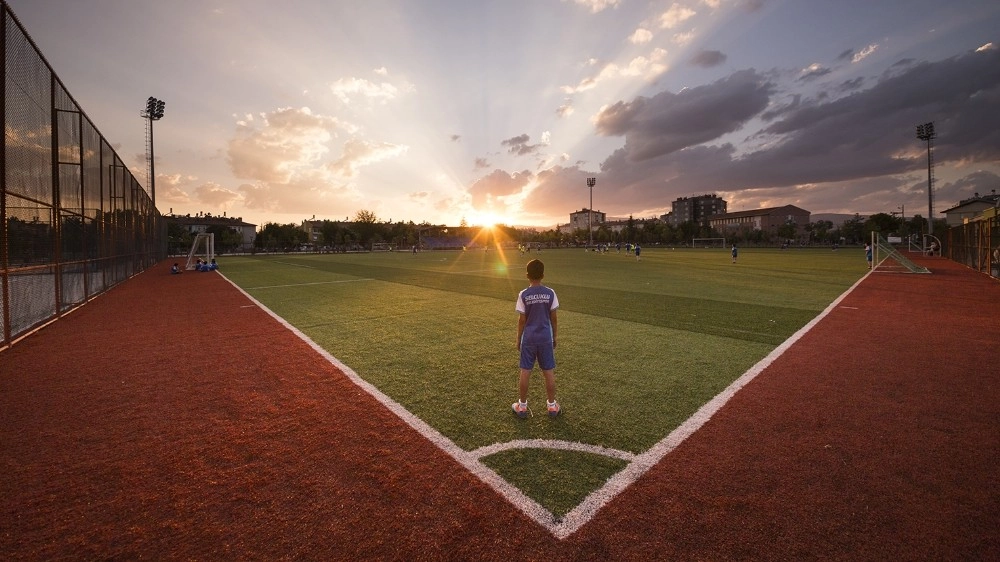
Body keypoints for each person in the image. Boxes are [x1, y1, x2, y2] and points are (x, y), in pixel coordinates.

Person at [512, 259, 560, 418]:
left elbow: (522, 320)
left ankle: (522, 406)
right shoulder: (550, 293)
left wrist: (519, 339)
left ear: (527, 275)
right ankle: (552, 406)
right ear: (543, 275)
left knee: (525, 371)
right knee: (548, 372)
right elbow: (554, 318)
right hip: (545, 337)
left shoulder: (523, 294)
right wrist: (555, 336)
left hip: (529, 338)